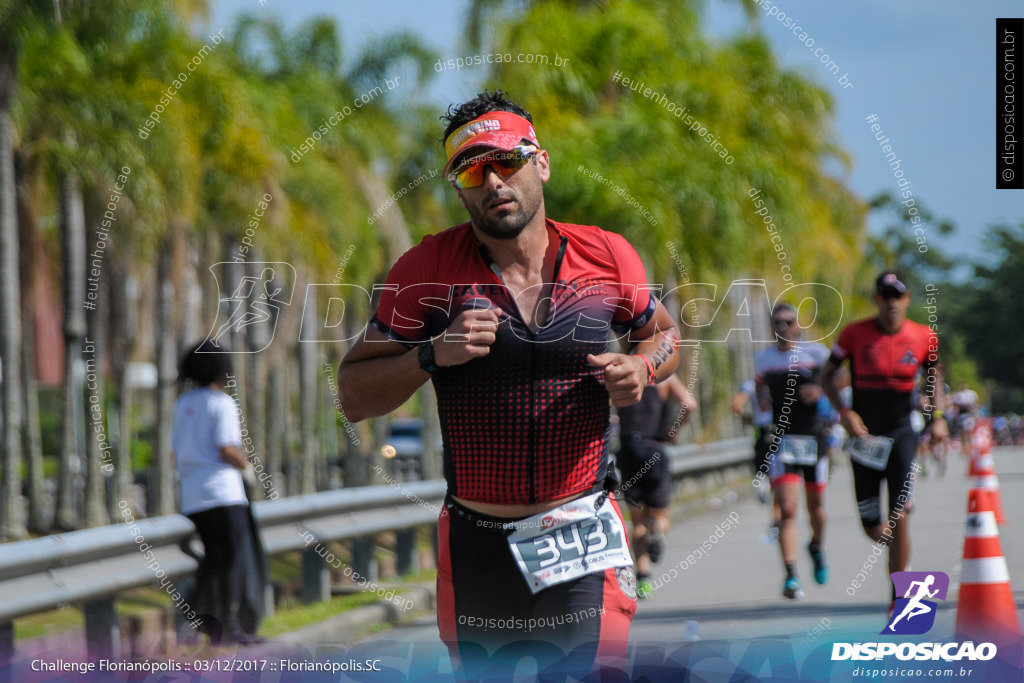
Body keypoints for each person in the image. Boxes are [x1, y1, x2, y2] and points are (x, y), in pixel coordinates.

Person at [338, 90, 681, 680]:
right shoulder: (428, 270)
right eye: (473, 169)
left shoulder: (607, 255)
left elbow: (665, 334)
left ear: (540, 163)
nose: (493, 181)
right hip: (478, 544)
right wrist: (432, 353)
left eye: (508, 161)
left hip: (580, 531)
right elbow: (353, 392)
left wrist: (644, 367)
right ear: (459, 187)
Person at [821, 271, 947, 610]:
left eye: (897, 295)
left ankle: (901, 598)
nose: (891, 302)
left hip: (903, 432)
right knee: (875, 527)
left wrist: (937, 419)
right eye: (884, 295)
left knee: (900, 514)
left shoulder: (924, 336)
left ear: (907, 299)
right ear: (877, 299)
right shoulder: (854, 334)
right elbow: (826, 376)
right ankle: (899, 552)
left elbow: (934, 376)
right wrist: (844, 413)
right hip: (865, 436)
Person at [172, 341, 267, 646]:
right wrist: (246, 465)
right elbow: (226, 448)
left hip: (192, 495)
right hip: (223, 494)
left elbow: (177, 452)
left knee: (214, 560)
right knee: (232, 561)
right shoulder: (222, 403)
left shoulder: (182, 405)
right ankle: (226, 627)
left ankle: (208, 621)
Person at [754, 303, 832, 599]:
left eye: (788, 321)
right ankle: (791, 575)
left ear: (798, 325)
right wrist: (762, 400)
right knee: (786, 509)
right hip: (782, 440)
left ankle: (816, 547)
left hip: (813, 438)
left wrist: (820, 391)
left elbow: (840, 379)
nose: (783, 327)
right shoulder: (762, 358)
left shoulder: (816, 353)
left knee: (816, 509)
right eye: (777, 322)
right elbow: (760, 387)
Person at [616, 375, 697, 599]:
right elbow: (690, 405)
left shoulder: (621, 370)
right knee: (660, 515)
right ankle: (658, 530)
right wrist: (674, 429)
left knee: (637, 522)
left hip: (629, 450)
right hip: (655, 450)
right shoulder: (665, 377)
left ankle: (643, 580)